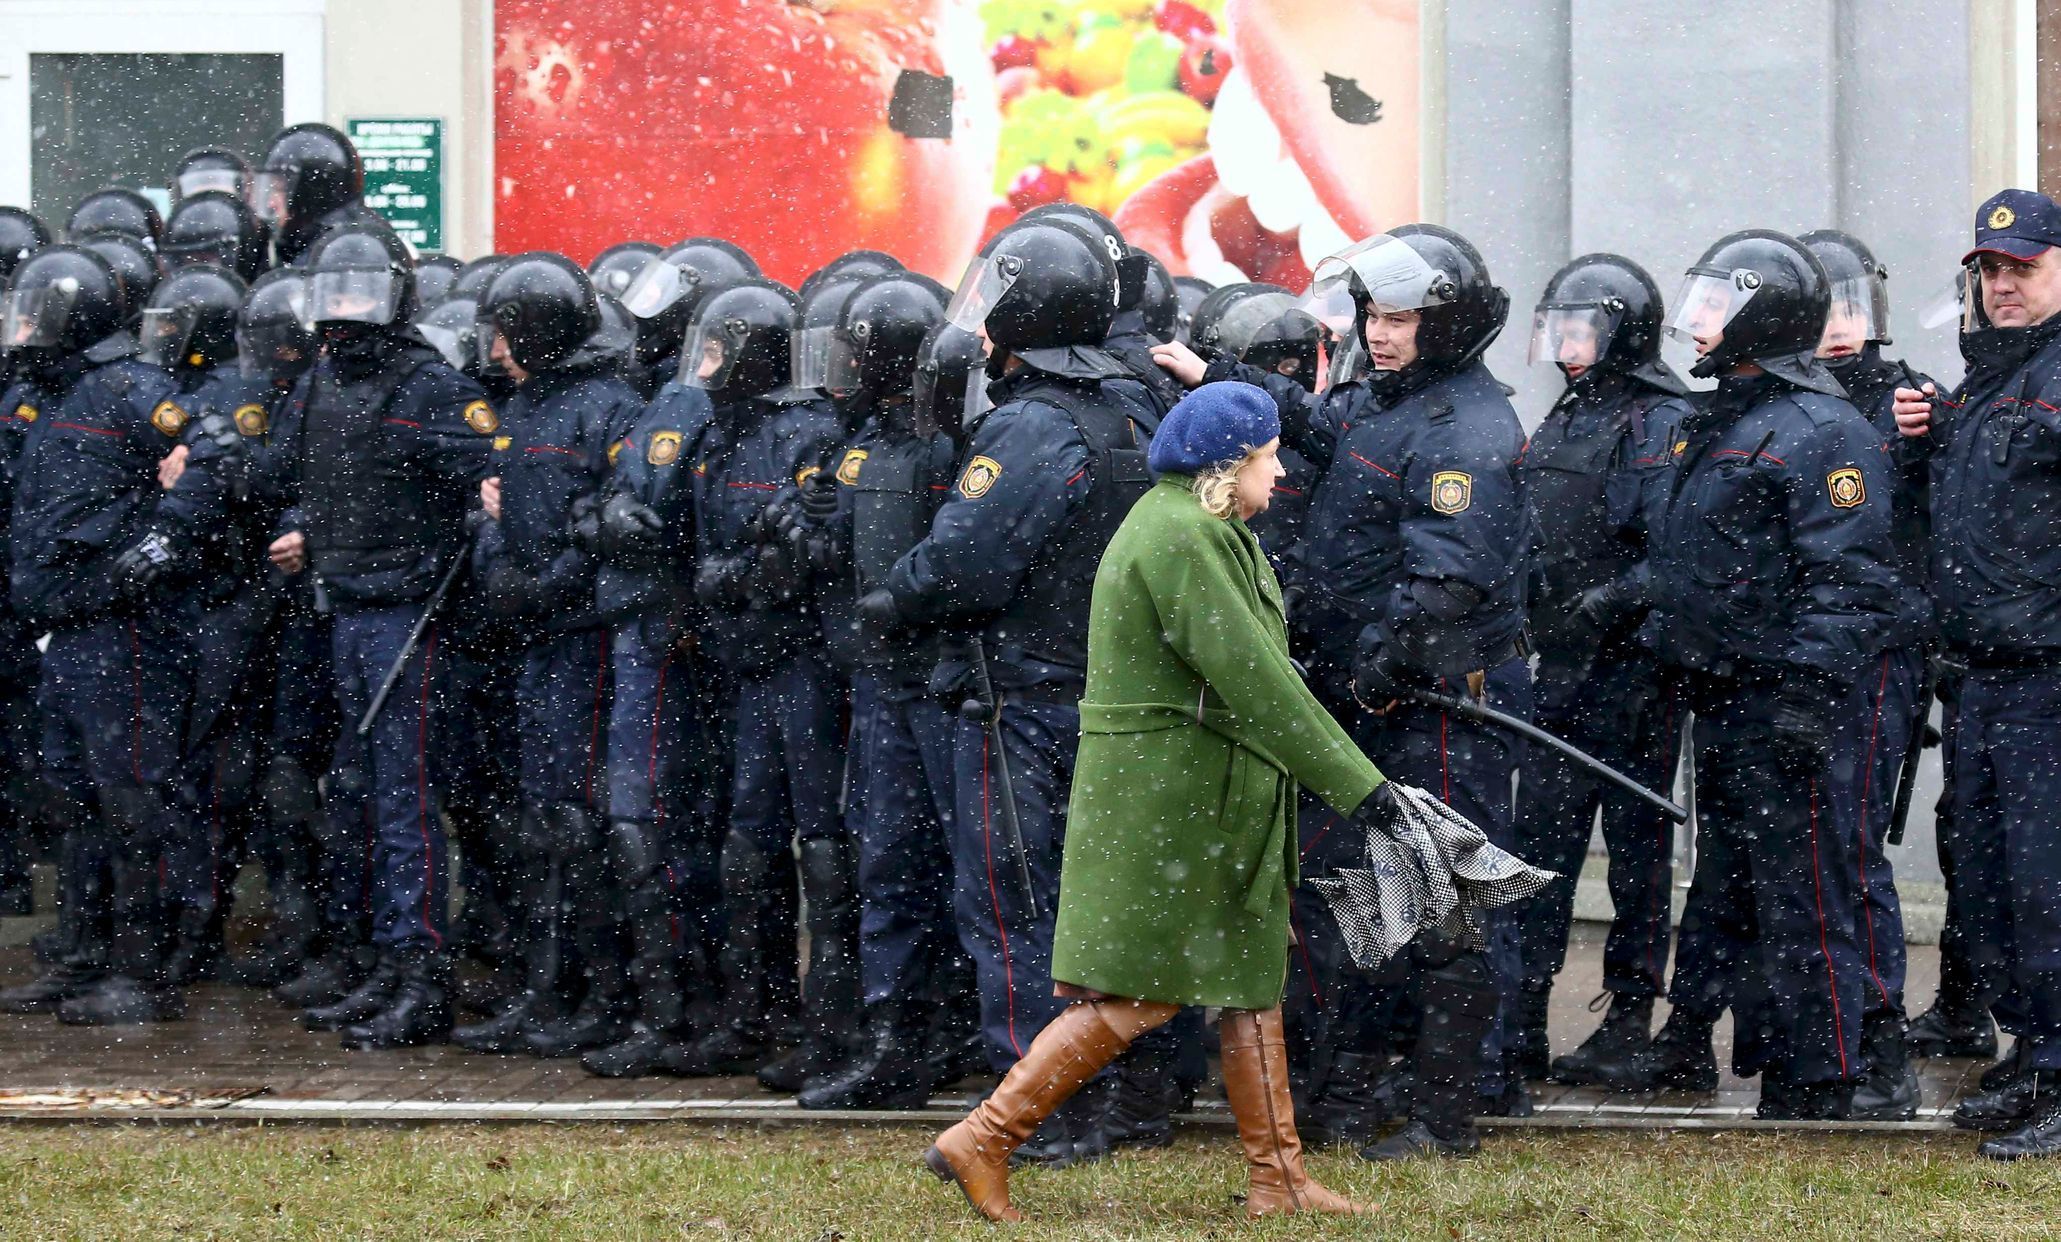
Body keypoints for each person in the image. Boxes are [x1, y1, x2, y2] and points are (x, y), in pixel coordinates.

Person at [925, 381, 1385, 1222]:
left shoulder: (1203, 528)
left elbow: (1255, 683)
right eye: (1267, 455)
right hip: (1176, 798)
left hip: (1203, 793)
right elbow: (1259, 686)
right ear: (1226, 466)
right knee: (1140, 993)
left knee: (1248, 977)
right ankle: (984, 1137)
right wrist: (1365, 791)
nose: (1280, 470)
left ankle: (1277, 1179)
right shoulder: (1181, 536)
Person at [1159, 224, 1533, 1157]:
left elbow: (1448, 581)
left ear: (1447, 325)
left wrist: (1376, 668)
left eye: (1402, 317)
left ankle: (1445, 1117)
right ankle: (1367, 1089)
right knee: (1370, 898)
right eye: (1374, 313)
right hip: (1376, 699)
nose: (1381, 332)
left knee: (1443, 900)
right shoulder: (1388, 405)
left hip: (1438, 704)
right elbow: (1320, 428)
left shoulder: (1470, 431)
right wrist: (1216, 377)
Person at [868, 221, 1160, 1163]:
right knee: (1107, 913)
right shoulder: (1134, 406)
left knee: (1011, 907)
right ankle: (1113, 1101)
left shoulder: (1032, 421)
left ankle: (1042, 1111)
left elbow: (967, 563)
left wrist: (892, 595)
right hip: (1114, 703)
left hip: (1026, 706)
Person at [1641, 229, 1901, 1119]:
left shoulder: (1822, 430)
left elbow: (1851, 580)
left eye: (1717, 305)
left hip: (1794, 704)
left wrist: (1803, 696)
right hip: (1722, 696)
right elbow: (1700, 558)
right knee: (1748, 885)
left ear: (1762, 315)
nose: (1699, 324)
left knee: (1812, 891)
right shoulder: (1721, 419)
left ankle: (1830, 1074)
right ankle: (1789, 1059)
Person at [255, 225, 497, 1048]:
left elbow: (488, 490)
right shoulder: (321, 380)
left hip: (410, 619)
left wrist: (446, 568)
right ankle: (380, 966)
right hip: (343, 607)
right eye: (336, 295)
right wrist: (300, 529)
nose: (345, 314)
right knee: (358, 797)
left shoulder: (431, 385)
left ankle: (423, 979)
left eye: (363, 295)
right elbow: (286, 474)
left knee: (406, 805)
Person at [3, 242, 220, 1023]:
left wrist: (163, 536)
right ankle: (85, 952)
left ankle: (143, 970)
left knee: (133, 799)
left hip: (124, 629)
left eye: (37, 313)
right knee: (72, 798)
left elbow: (215, 456)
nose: (23, 328)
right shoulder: (49, 395)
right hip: (64, 628)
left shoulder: (131, 389)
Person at [1892, 188, 2061, 1159]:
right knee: (1998, 882)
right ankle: (2039, 1055)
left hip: (2047, 674)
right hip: (1987, 674)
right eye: (1991, 271)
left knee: (2047, 882)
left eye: (2023, 268)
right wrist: (1924, 440)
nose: (2003, 285)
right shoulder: (1998, 378)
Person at [1508, 254, 1693, 1085]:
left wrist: (1607, 602)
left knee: (1635, 855)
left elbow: (1677, 549)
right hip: (1555, 673)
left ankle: (1627, 1018)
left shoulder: (1656, 419)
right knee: (1536, 849)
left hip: (1630, 678)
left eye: (1584, 328)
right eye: (1562, 327)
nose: (1568, 345)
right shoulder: (1567, 412)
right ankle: (1518, 1014)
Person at [788, 281, 971, 1110]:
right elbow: (837, 557)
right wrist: (817, 522)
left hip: (938, 690)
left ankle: (966, 1036)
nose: (845, 370)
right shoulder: (865, 441)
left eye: (857, 354)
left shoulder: (948, 446)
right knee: (886, 859)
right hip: (880, 686)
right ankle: (895, 1040)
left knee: (967, 869)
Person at [458, 253, 644, 1059]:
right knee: (543, 822)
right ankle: (545, 987)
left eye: (502, 334)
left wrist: (552, 586)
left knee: (585, 824)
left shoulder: (609, 409)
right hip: (532, 643)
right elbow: (498, 504)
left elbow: (610, 519)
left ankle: (602, 994)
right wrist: (499, 565)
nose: (492, 351)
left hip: (586, 643)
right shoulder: (525, 408)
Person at [662, 279, 846, 1082]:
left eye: (716, 348)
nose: (704, 365)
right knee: (748, 847)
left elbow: (797, 556)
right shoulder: (721, 430)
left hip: (800, 664)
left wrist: (731, 576)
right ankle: (755, 1013)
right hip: (745, 667)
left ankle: (831, 1027)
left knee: (825, 850)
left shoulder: (803, 432)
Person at [1797, 228, 1935, 1119]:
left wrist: (1923, 434)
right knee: (1795, 853)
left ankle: (1878, 1038)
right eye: (1823, 308)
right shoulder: (1781, 397)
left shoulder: (1905, 398)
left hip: (1872, 652)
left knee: (1849, 849)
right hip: (1792, 660)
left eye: (1852, 305)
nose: (1841, 327)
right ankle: (1813, 1038)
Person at [255, 123, 401, 267]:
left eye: (279, 190)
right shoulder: (317, 243)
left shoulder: (350, 252)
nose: (271, 203)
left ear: (308, 193)